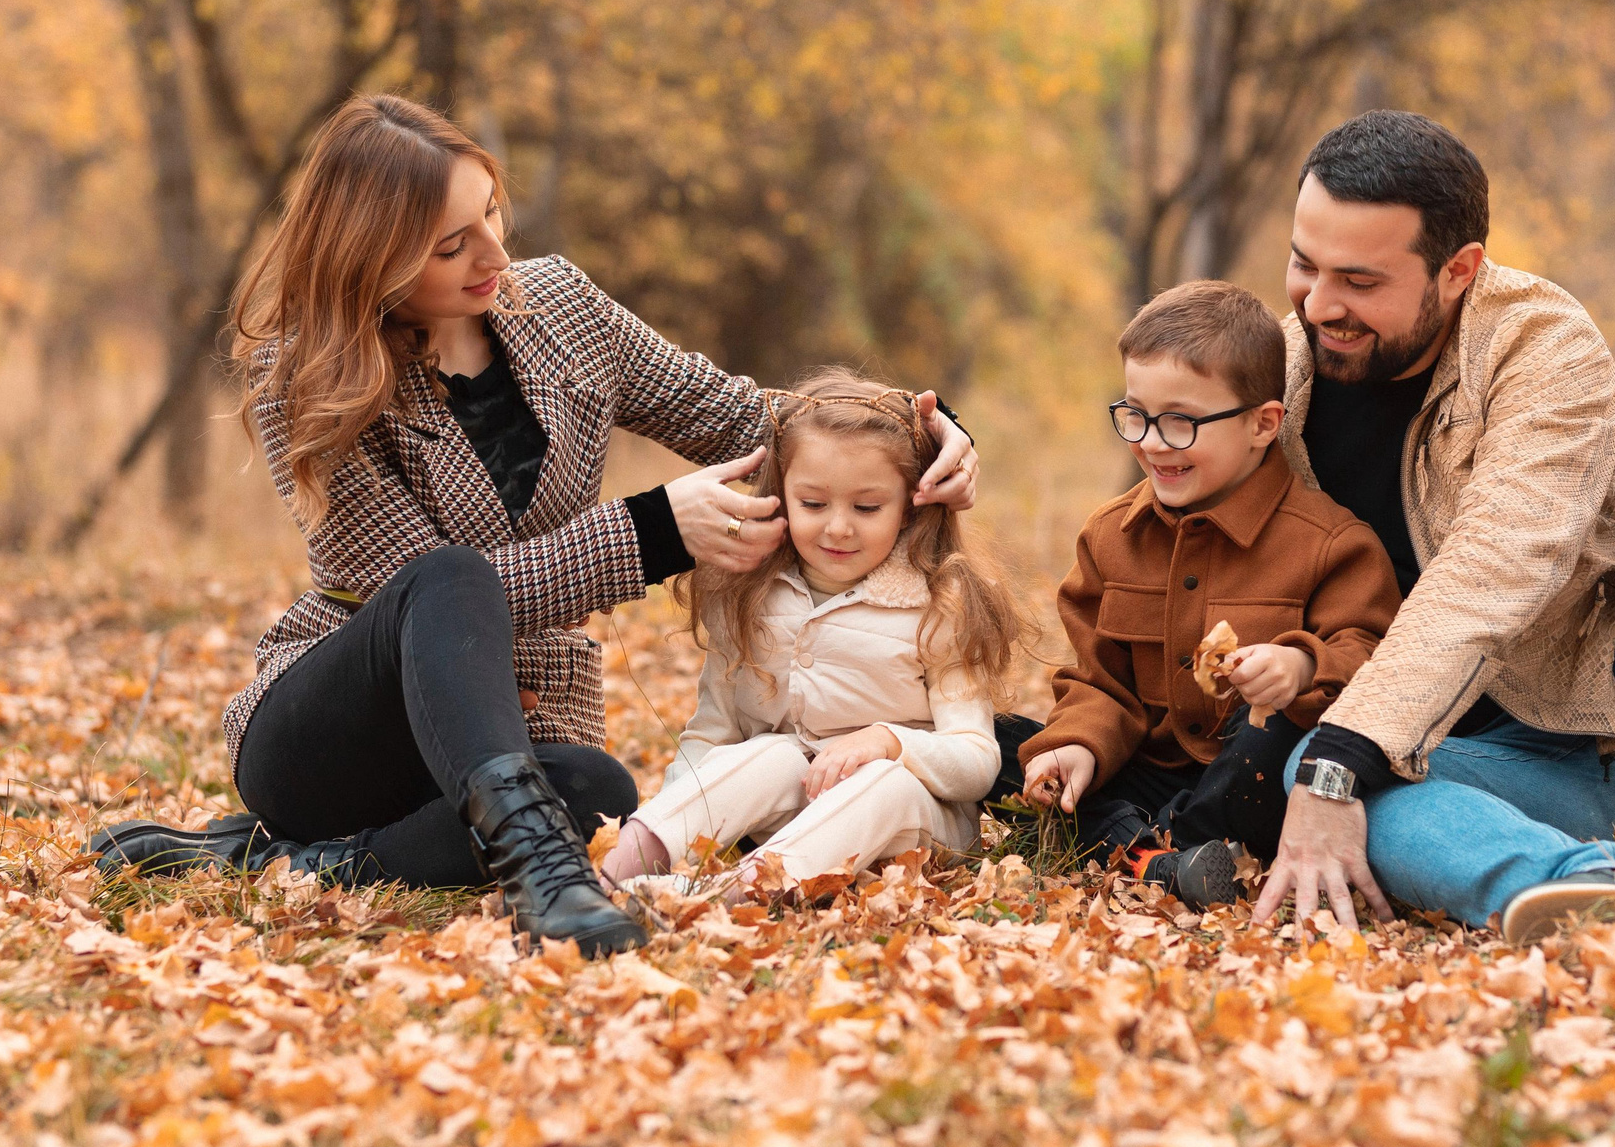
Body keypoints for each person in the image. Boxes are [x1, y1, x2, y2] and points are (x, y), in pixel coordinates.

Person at [88, 96, 979, 958]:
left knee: (598, 787)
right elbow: (439, 603)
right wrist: (654, 532)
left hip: (517, 727)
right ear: (375, 261)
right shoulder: (306, 378)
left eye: (492, 214)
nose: (494, 253)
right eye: (452, 245)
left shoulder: (561, 308)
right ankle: (543, 875)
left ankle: (292, 858)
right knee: (447, 576)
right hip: (339, 732)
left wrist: (918, 430)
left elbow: (748, 418)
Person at [1251, 111, 1615, 945]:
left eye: (1359, 280)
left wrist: (1342, 748)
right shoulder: (1280, 375)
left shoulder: (1541, 345)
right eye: (1302, 265)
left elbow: (1502, 556)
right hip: (1493, 775)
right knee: (1323, 777)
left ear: (1458, 271)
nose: (1320, 304)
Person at [1018, 280, 1402, 909]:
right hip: (1145, 765)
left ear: (1261, 424)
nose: (1150, 441)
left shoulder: (1332, 543)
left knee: (1272, 737)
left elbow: (1374, 653)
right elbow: (1099, 683)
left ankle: (1136, 844)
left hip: (1250, 778)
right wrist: (1078, 745)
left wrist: (1303, 664)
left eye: (1180, 422)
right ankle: (1166, 860)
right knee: (1003, 746)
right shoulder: (1109, 538)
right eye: (1135, 415)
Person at [601, 371, 1024, 893]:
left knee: (882, 782)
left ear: (913, 504)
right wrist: (679, 818)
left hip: (912, 825)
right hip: (790, 813)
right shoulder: (750, 594)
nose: (838, 527)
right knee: (771, 753)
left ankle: (728, 894)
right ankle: (616, 871)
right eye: (814, 504)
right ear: (781, 495)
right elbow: (713, 733)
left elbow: (978, 761)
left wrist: (889, 741)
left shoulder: (938, 605)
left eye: (867, 507)